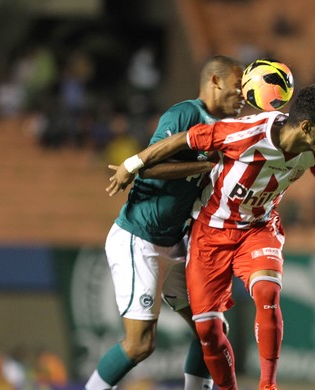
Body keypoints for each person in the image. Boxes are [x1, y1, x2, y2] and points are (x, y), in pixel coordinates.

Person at [106, 84, 315, 390]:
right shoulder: (244, 134)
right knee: (208, 330)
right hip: (211, 231)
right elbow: (186, 138)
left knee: (266, 293)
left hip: (259, 228)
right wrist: (133, 164)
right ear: (306, 127)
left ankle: (268, 386)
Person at [85, 55, 245, 390]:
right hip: (139, 237)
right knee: (140, 344)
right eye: (237, 85)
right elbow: (146, 165)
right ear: (215, 81)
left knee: (212, 330)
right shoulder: (184, 114)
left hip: (175, 241)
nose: (242, 94)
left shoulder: (228, 132)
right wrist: (204, 168)